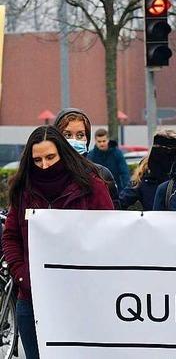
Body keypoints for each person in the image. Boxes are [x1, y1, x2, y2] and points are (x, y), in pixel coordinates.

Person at [2, 126, 114, 358]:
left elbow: (109, 234)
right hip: (32, 301)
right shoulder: (23, 190)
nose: (44, 165)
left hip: (83, 299)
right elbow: (11, 236)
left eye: (50, 157)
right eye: (38, 159)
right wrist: (23, 276)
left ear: (62, 153)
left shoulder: (92, 186)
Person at [53, 108, 119, 207]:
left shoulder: (101, 175)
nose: (74, 140)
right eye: (67, 135)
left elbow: (114, 215)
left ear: (87, 139)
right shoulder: (47, 174)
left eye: (80, 135)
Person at [119, 130, 176, 211]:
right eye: (160, 148)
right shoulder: (144, 174)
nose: (164, 154)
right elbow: (122, 201)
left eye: (169, 149)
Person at [87, 128, 130, 192]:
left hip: (116, 190)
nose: (102, 144)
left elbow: (124, 173)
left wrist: (125, 191)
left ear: (108, 140)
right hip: (98, 191)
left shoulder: (117, 153)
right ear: (95, 141)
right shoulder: (91, 155)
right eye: (99, 141)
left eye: (104, 141)